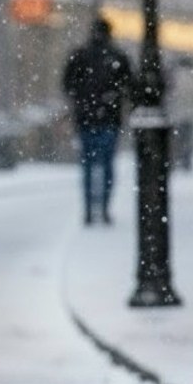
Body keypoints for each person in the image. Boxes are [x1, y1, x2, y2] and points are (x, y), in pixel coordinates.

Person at [62, 15, 134, 226]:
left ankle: (88, 208)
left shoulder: (80, 56)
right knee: (107, 164)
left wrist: (81, 100)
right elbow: (129, 86)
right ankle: (104, 208)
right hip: (109, 119)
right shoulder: (117, 57)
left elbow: (68, 85)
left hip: (85, 119)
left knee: (87, 164)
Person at [167, 54, 193, 172]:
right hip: (189, 114)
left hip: (177, 114)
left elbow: (172, 94)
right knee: (187, 138)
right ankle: (186, 161)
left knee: (177, 139)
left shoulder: (175, 74)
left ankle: (176, 160)